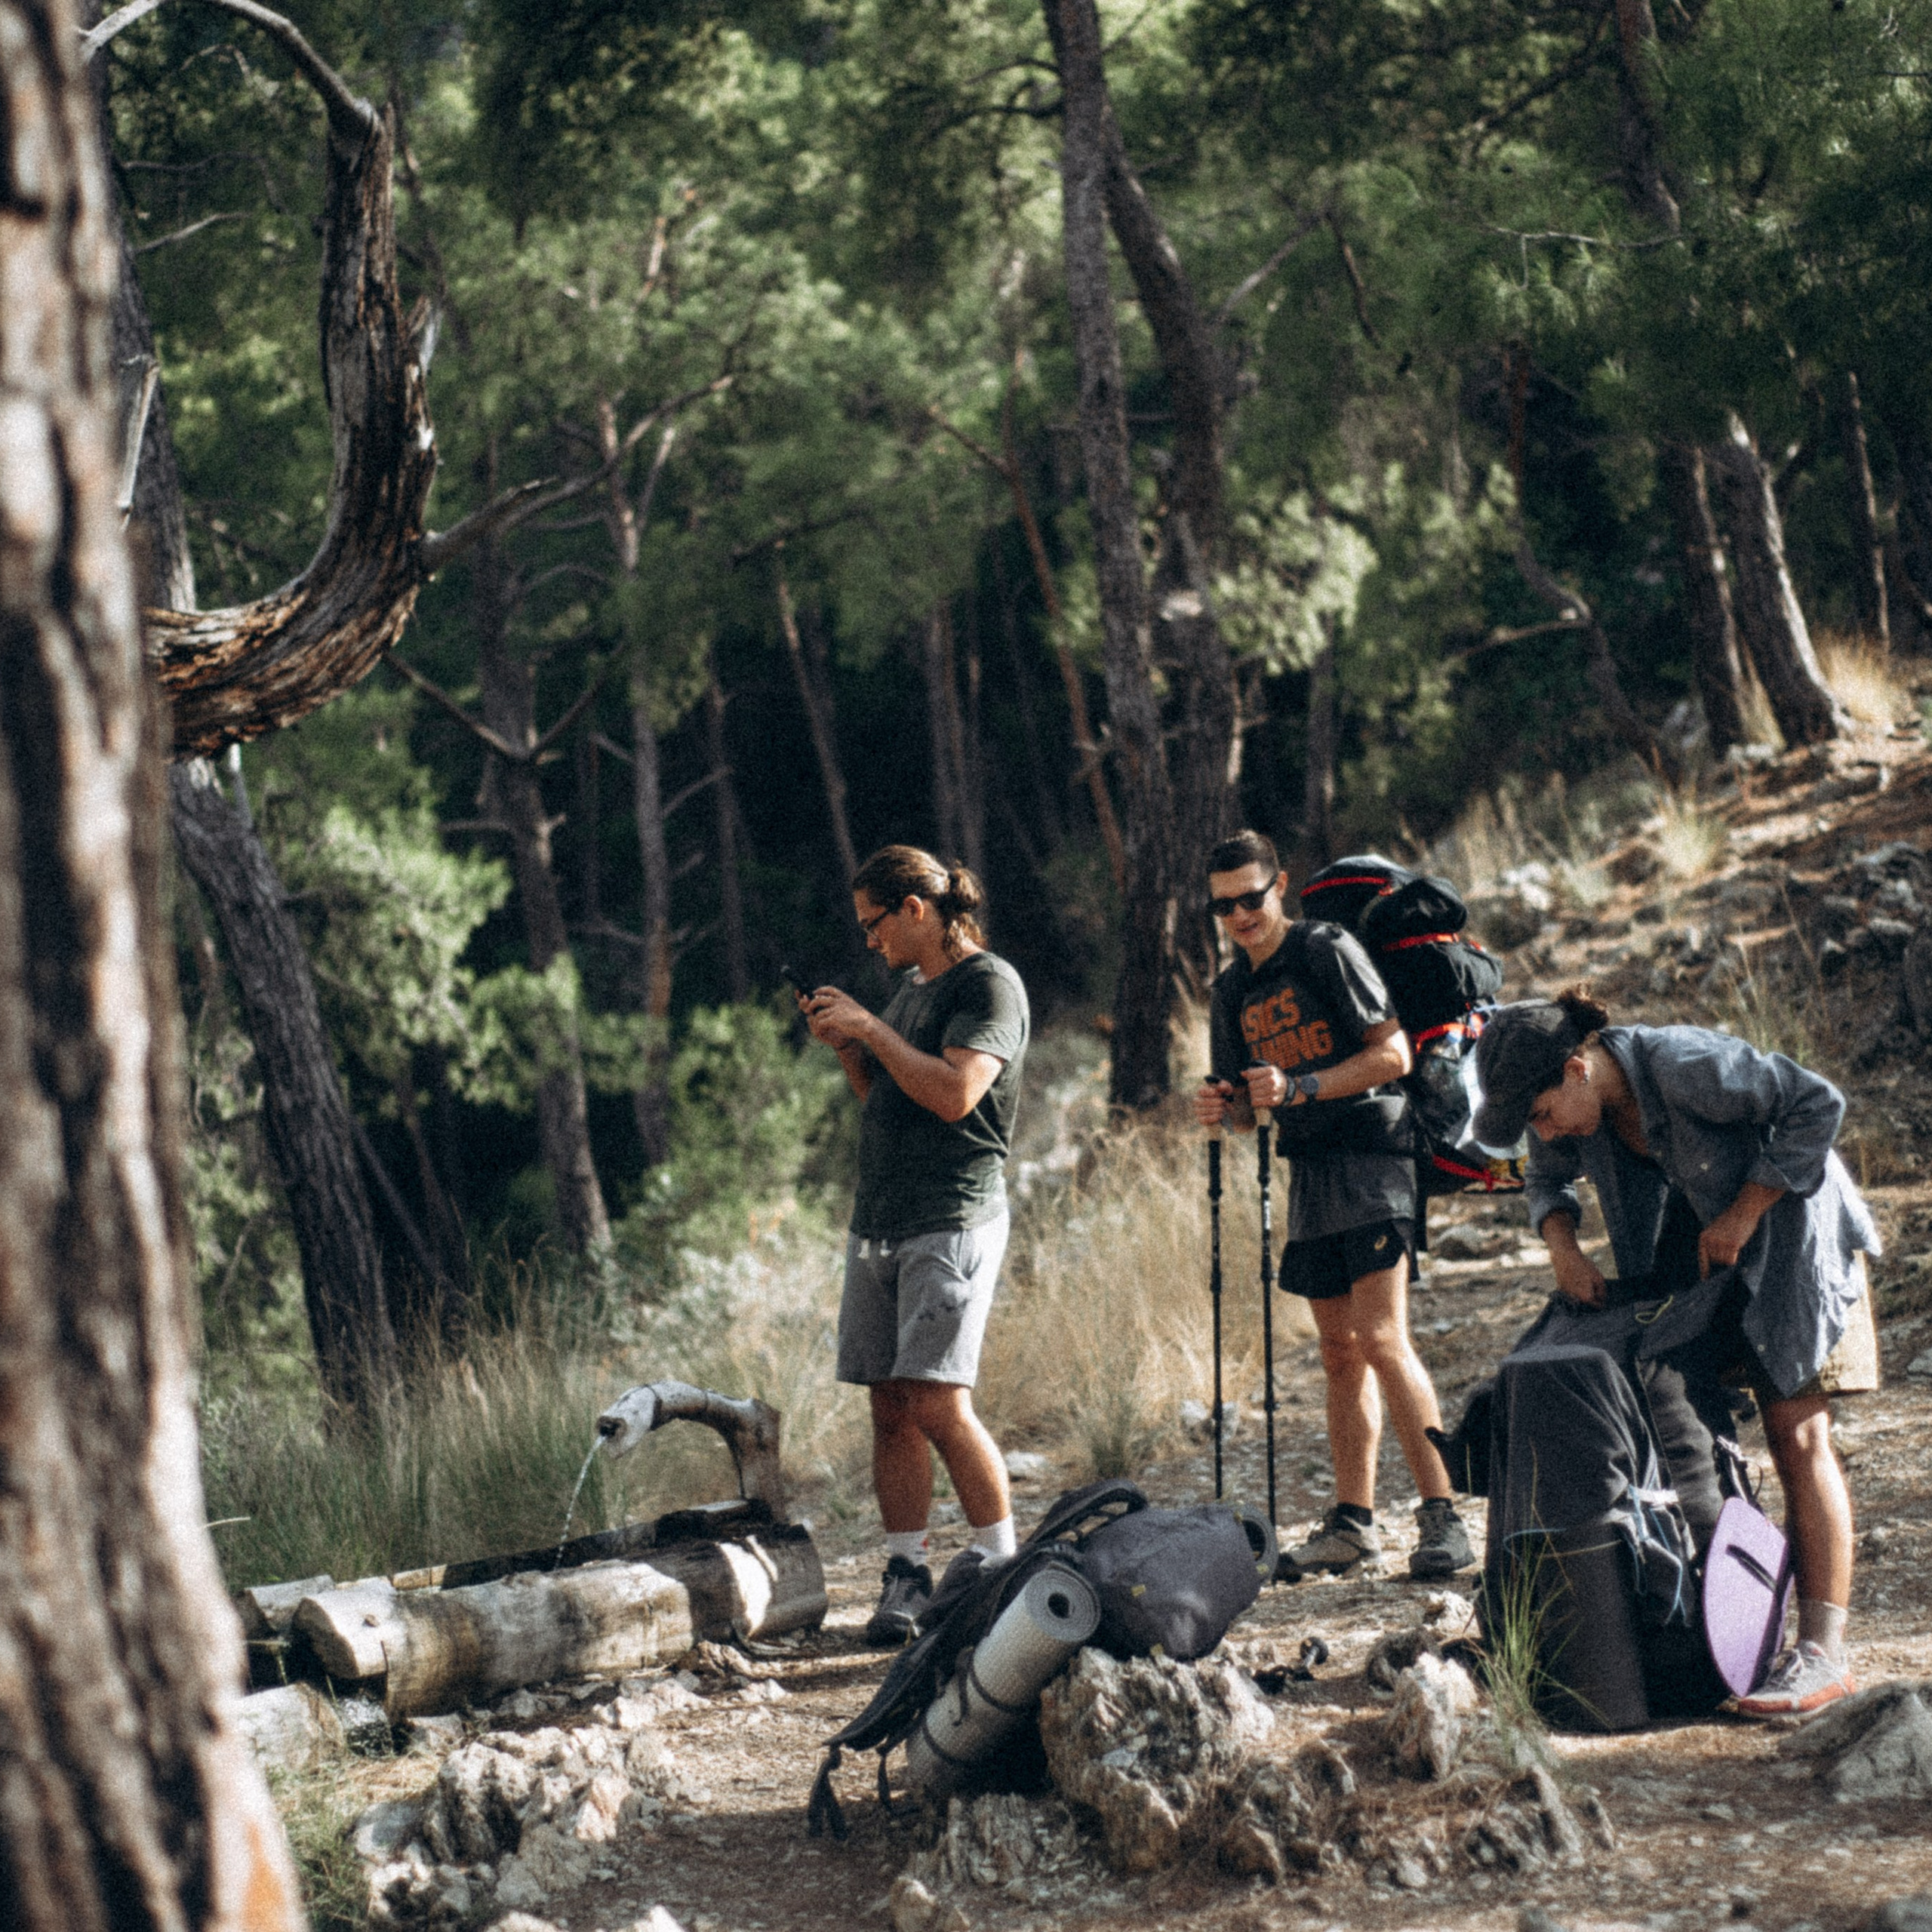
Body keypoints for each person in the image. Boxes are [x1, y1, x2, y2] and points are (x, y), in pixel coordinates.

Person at [1471, 987, 1881, 1715]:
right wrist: (1563, 1247)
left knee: (1799, 1434)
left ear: (1575, 1069)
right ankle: (1724, 1625)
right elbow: (1546, 1174)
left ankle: (1823, 1654)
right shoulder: (1568, 1101)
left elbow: (1817, 1103)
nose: (1542, 1130)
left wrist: (1744, 1209)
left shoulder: (1685, 1062)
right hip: (1706, 1268)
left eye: (1540, 1113)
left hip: (1795, 1242)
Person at [1192, 829, 1474, 1581]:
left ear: (1277, 885)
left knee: (1382, 1337)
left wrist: (1302, 1086)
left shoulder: (1325, 949)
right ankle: (1353, 1524)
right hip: (1310, 1166)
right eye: (1226, 906)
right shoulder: (1231, 991)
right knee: (1338, 1352)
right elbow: (1252, 1108)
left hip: (1376, 1154)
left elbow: (1393, 1055)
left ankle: (1443, 1516)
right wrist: (1227, 1106)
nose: (1242, 915)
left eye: (1252, 897)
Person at [798, 844, 1031, 1644]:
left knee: (937, 1397)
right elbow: (888, 1095)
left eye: (876, 924)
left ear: (916, 910)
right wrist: (852, 1052)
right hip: (882, 1220)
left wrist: (870, 1026)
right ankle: (907, 1570)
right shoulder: (909, 992)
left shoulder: (988, 985)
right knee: (889, 1404)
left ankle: (1001, 1562)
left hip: (951, 1217)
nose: (870, 942)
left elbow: (956, 1094)